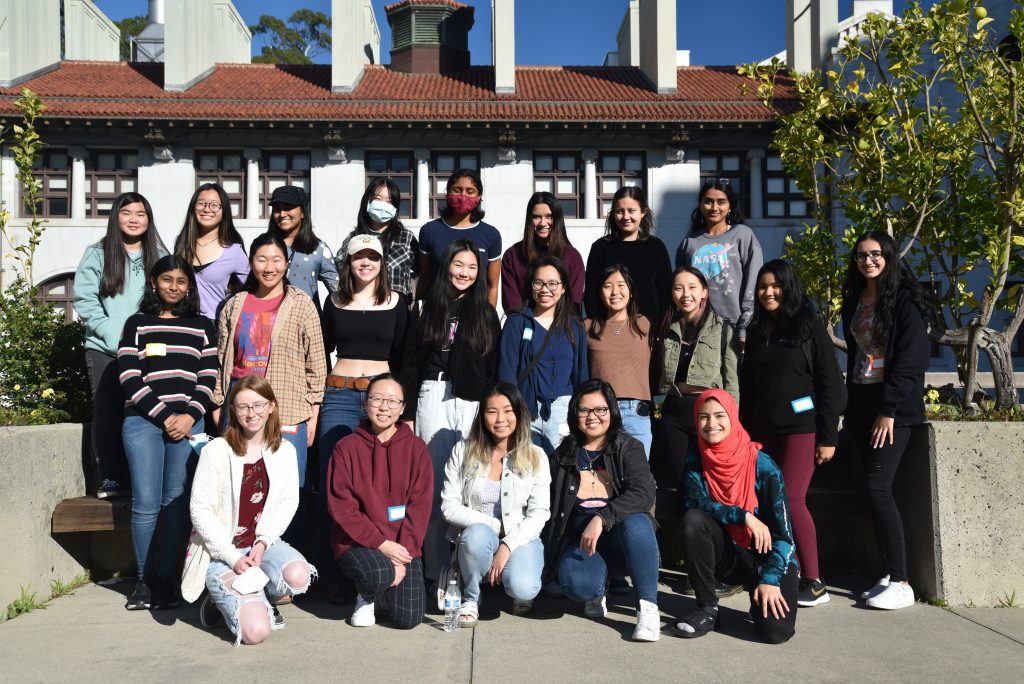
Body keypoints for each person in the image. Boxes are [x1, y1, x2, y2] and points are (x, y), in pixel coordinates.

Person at [740, 259, 846, 608]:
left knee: (791, 499)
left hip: (801, 430)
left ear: (788, 287)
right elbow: (751, 386)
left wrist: (828, 436)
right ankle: (785, 569)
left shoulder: (809, 326)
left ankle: (814, 582)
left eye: (776, 285)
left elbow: (831, 383)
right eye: (763, 286)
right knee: (768, 501)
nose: (768, 292)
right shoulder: (757, 330)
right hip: (763, 432)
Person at [317, 233, 416, 601]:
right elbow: (320, 349)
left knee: (379, 486)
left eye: (373, 257)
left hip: (383, 399)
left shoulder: (397, 302)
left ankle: (380, 567)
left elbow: (406, 358)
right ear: (349, 261)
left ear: (382, 263)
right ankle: (333, 572)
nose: (366, 263)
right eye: (360, 257)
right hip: (340, 394)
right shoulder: (335, 301)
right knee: (334, 484)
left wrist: (405, 410)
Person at [183, 375, 315, 646]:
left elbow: (289, 501)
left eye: (258, 405)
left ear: (271, 406)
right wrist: (232, 557)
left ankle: (258, 594)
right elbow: (200, 510)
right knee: (256, 632)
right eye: (242, 407)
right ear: (233, 411)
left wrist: (264, 542)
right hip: (222, 550)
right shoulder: (216, 450)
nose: (251, 413)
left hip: (260, 546)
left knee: (298, 577)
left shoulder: (285, 451)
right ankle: (221, 598)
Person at [117, 255, 217, 611]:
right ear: (154, 282)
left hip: (189, 425)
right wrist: (163, 416)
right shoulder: (137, 323)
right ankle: (144, 581)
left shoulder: (203, 325)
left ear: (189, 286)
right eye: (167, 279)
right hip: (144, 422)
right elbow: (129, 375)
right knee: (145, 503)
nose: (174, 286)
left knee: (175, 503)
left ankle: (168, 579)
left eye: (181, 281)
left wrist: (190, 416)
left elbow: (208, 376)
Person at [841, 230, 930, 611]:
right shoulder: (856, 299)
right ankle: (886, 573)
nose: (868, 261)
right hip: (861, 402)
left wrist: (889, 409)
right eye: (861, 256)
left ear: (889, 257)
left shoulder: (906, 302)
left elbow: (911, 361)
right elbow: (857, 357)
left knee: (879, 487)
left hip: (893, 409)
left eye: (875, 254)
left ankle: (902, 580)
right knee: (868, 489)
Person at [672, 389, 798, 643]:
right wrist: (744, 516)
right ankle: (708, 608)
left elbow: (786, 538)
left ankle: (759, 594)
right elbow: (694, 502)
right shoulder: (698, 458)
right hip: (729, 557)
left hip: (769, 558)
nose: (711, 424)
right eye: (703, 417)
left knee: (775, 632)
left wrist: (771, 579)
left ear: (733, 417)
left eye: (720, 415)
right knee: (694, 520)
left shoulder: (763, 466)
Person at [213, 232, 327, 509]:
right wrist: (218, 407)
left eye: (277, 260)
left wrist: (312, 417)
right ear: (251, 263)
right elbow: (222, 360)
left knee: (285, 491)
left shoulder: (302, 304)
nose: (269, 267)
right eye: (262, 259)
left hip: (288, 408)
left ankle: (283, 551)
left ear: (287, 264)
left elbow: (317, 364)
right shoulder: (234, 304)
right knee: (236, 488)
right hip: (239, 408)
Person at [542, 380, 661, 642]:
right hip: (584, 544)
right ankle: (598, 587)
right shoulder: (562, 456)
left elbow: (643, 493)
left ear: (612, 412)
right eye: (584, 410)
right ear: (575, 414)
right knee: (579, 586)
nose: (592, 417)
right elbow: (548, 506)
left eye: (600, 410)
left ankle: (648, 608)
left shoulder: (628, 447)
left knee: (638, 522)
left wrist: (602, 517)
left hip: (623, 541)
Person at [412, 239, 501, 582]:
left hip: (472, 401)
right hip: (432, 394)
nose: (464, 273)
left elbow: (492, 368)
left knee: (469, 487)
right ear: (446, 266)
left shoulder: (486, 313)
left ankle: (468, 571)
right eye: (458, 265)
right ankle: (435, 570)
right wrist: (407, 413)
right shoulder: (426, 307)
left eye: (472, 267)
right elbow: (411, 362)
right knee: (434, 486)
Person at [73, 191, 167, 499]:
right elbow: (86, 301)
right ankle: (112, 477)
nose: (134, 219)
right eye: (127, 213)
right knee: (108, 410)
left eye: (140, 214)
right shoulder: (98, 253)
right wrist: (114, 337)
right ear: (116, 217)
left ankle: (145, 477)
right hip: (106, 348)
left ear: (149, 219)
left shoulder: (158, 253)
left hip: (148, 348)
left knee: (147, 409)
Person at [327, 374, 433, 629]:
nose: (384, 407)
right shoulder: (346, 447)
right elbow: (342, 507)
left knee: (408, 619)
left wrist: (401, 555)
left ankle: (385, 588)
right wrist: (381, 544)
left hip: (401, 546)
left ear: (402, 408)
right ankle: (368, 594)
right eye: (376, 399)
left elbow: (419, 508)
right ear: (366, 404)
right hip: (358, 543)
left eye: (392, 401)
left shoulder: (417, 449)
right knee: (378, 573)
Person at [440, 383, 551, 625]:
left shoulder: (536, 455)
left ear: (519, 414)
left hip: (520, 537)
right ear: (482, 416)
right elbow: (449, 506)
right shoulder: (463, 451)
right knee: (477, 535)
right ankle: (471, 596)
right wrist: (493, 525)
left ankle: (511, 575)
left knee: (524, 588)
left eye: (508, 410)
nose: (500, 419)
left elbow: (540, 513)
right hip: (479, 535)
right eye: (492, 411)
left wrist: (507, 545)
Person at [651, 266, 739, 491]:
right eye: (678, 288)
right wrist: (658, 409)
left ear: (704, 292)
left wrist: (733, 419)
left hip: (709, 411)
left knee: (714, 478)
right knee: (682, 480)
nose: (685, 294)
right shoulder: (665, 328)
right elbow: (657, 375)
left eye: (692, 287)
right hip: (674, 411)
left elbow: (731, 380)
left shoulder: (723, 328)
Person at [499, 257, 588, 455]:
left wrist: (580, 412)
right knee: (527, 472)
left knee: (561, 472)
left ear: (563, 287)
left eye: (553, 283)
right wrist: (511, 411)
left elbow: (581, 374)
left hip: (563, 411)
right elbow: (507, 373)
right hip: (525, 409)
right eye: (538, 283)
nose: (545, 289)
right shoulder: (517, 322)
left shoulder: (574, 326)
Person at [676, 180, 763, 343]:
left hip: (734, 327)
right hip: (697, 328)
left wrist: (744, 326)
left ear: (730, 206)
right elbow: (681, 287)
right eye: (708, 201)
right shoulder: (689, 243)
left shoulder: (742, 235)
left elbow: (753, 280)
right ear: (700, 205)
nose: (714, 207)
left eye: (721, 202)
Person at [585, 265, 653, 458]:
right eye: (608, 286)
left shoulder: (644, 324)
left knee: (637, 473)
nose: (615, 292)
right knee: (602, 474)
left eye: (621, 285)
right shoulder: (588, 327)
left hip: (636, 412)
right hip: (600, 410)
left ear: (631, 291)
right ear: (599, 292)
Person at [583, 186, 671, 326]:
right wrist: (597, 327)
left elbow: (665, 293)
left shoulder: (656, 247)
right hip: (609, 329)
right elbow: (591, 294)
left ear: (643, 212)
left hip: (649, 332)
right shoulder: (600, 248)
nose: (625, 217)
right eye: (620, 211)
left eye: (631, 211)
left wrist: (661, 329)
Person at [416, 168, 502, 307]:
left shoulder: (491, 235)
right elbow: (424, 277)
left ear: (479, 196)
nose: (463, 196)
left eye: (470, 191)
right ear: (448, 193)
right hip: (437, 311)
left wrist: (489, 318)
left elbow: (493, 285)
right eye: (457, 190)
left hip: (475, 315)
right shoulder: (430, 230)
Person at [173, 182, 248, 321]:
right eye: (201, 203)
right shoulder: (181, 243)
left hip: (213, 323)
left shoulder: (234, 251)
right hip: (179, 320)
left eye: (214, 205)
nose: (207, 209)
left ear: (223, 210)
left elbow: (253, 288)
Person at [336, 177, 419, 298]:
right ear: (367, 201)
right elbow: (339, 268)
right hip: (360, 308)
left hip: (397, 310)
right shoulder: (353, 238)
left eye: (389, 201)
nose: (382, 205)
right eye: (377, 199)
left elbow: (424, 272)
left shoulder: (407, 238)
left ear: (395, 208)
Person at [500, 191, 585, 311]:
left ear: (557, 219)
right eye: (536, 217)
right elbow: (511, 302)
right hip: (524, 327)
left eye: (549, 217)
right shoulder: (513, 255)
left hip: (562, 327)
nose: (542, 223)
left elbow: (574, 302)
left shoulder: (572, 257)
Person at [265, 185, 338, 310]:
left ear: (303, 212)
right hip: (268, 322)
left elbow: (338, 290)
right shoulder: (264, 245)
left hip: (308, 323)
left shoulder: (319, 248)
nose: (282, 214)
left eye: (288, 208)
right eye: (277, 209)